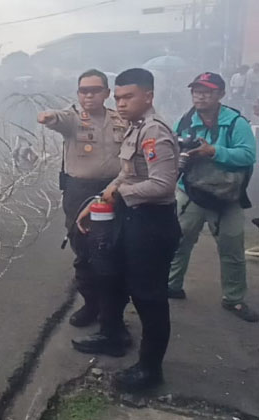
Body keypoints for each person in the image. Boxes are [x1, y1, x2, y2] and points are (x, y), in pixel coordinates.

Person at [74, 68, 181, 391]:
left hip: (152, 225)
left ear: (148, 96)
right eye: (118, 97)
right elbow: (126, 174)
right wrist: (96, 201)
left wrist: (119, 194)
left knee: (149, 297)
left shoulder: (154, 133)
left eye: (128, 97)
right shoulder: (136, 128)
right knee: (113, 278)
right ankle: (112, 334)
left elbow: (163, 185)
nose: (120, 103)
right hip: (130, 218)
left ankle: (150, 369)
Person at [37, 69, 127, 327]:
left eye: (95, 90)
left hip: (115, 191)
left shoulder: (120, 118)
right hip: (80, 192)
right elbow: (55, 118)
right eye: (83, 90)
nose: (89, 95)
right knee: (85, 250)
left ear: (106, 93)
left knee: (115, 249)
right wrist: (46, 116)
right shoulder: (73, 119)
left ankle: (113, 310)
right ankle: (91, 305)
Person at [167, 72, 258, 322]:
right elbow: (172, 148)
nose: (200, 94)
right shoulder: (185, 121)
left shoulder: (235, 123)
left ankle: (234, 299)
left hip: (226, 198)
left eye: (207, 90)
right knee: (178, 243)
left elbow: (248, 155)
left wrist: (213, 151)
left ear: (221, 94)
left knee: (232, 250)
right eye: (196, 90)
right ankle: (171, 286)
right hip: (191, 193)